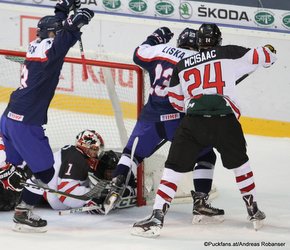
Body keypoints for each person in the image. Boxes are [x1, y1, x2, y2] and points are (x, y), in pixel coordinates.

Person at [131, 23, 277, 237]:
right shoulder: (230, 52)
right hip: (225, 121)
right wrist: (270, 50)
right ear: (218, 40)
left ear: (198, 43)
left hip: (193, 122)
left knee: (172, 168)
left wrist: (194, 109)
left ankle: (157, 217)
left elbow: (176, 100)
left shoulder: (182, 64)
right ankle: (253, 210)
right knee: (240, 165)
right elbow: (265, 57)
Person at [103, 26, 223, 221]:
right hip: (179, 120)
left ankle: (116, 185)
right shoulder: (199, 61)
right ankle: (200, 200)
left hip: (150, 118)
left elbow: (138, 54)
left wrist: (156, 37)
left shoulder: (160, 50)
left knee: (131, 155)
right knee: (206, 154)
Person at [0, 0, 94, 233]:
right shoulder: (51, 51)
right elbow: (68, 34)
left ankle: (9, 184)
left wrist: (63, 9)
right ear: (52, 33)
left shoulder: (36, 45)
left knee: (16, 166)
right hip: (26, 122)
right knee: (45, 172)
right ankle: (23, 213)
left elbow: (59, 30)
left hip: (9, 117)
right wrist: (79, 17)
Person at [44, 129, 135, 213]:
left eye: (98, 149)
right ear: (84, 147)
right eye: (94, 149)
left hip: (42, 188)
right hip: (39, 191)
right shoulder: (76, 157)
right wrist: (90, 200)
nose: (97, 153)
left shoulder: (77, 155)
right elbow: (65, 193)